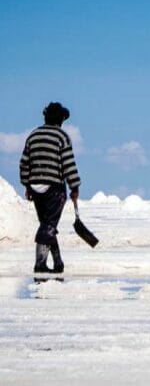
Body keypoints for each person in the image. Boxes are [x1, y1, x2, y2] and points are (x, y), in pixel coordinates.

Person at [19, 102, 81, 274]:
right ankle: (40, 264)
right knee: (49, 226)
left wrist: (27, 185)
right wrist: (74, 186)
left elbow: (24, 163)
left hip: (35, 186)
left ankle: (58, 262)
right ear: (60, 119)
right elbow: (68, 164)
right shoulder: (61, 136)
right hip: (54, 187)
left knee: (47, 224)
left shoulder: (33, 135)